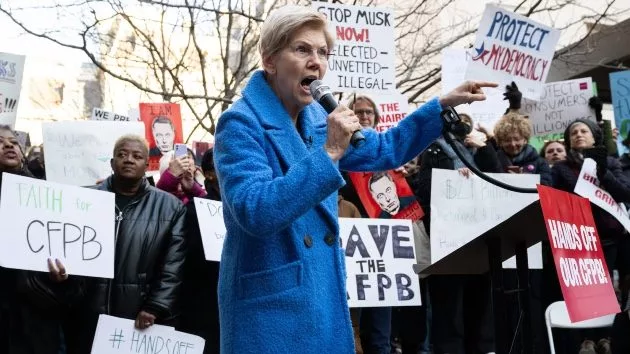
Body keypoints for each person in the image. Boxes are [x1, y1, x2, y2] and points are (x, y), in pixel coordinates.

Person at [212, 5, 496, 353]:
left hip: (322, 300)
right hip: (271, 309)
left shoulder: (319, 118)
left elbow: (386, 148)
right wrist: (329, 153)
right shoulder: (240, 123)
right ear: (270, 60)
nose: (316, 61)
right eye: (302, 49)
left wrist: (440, 106)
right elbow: (255, 210)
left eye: (322, 52)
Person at [64, 135, 187, 354]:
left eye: (136, 156)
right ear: (112, 163)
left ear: (146, 165)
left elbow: (173, 265)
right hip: (85, 315)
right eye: (122, 154)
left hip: (138, 319)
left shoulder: (170, 208)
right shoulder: (83, 199)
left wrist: (155, 306)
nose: (128, 159)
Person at [414, 113, 501, 354]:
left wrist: (484, 149)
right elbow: (426, 190)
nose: (459, 124)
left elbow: (498, 177)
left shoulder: (481, 149)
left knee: (480, 305)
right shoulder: (433, 150)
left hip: (480, 238)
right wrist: (456, 182)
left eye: (464, 119)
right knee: (448, 307)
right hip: (448, 239)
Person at [550, 119, 630, 354]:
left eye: (584, 130)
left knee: (610, 291)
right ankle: (586, 340)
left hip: (610, 239)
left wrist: (603, 172)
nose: (579, 134)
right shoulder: (561, 168)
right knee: (587, 291)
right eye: (573, 132)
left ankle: (607, 338)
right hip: (579, 238)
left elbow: (625, 192)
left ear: (595, 137)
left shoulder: (612, 164)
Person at [0, 125, 77, 354]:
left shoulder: (47, 195)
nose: (8, 145)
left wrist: (64, 277)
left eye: (13, 142)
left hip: (37, 315)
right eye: (0, 141)